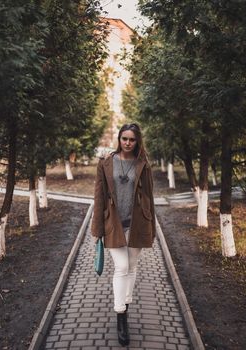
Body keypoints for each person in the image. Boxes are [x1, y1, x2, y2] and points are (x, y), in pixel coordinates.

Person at [91, 123, 156, 346]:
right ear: (119, 139)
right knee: (121, 267)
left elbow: (150, 196)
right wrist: (97, 229)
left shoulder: (143, 164)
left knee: (132, 266)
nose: (127, 143)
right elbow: (99, 197)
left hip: (138, 223)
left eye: (132, 140)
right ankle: (121, 316)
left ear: (137, 141)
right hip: (114, 224)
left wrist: (152, 227)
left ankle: (125, 302)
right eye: (124, 138)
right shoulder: (106, 163)